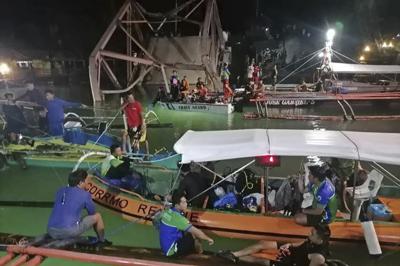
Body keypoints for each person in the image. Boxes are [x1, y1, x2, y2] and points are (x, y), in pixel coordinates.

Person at [47, 170, 111, 245]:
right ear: (80, 183)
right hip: (68, 232)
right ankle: (102, 241)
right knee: (97, 216)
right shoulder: (85, 194)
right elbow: (92, 212)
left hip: (51, 230)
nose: (88, 183)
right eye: (87, 180)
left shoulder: (60, 190)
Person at [218, 224, 330, 266]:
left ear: (319, 238)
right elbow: (302, 243)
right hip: (292, 251)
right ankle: (233, 254)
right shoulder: (313, 239)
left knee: (260, 260)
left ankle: (234, 259)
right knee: (263, 244)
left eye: (312, 233)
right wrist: (289, 244)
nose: (309, 234)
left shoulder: (318, 257)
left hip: (291, 262)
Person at [159, 190, 214, 257]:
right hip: (172, 251)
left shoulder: (168, 211)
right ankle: (200, 255)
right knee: (194, 234)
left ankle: (194, 252)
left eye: (186, 202)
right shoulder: (178, 218)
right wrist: (208, 239)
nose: (186, 204)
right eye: (184, 202)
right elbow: (197, 232)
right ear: (177, 205)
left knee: (187, 232)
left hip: (166, 248)